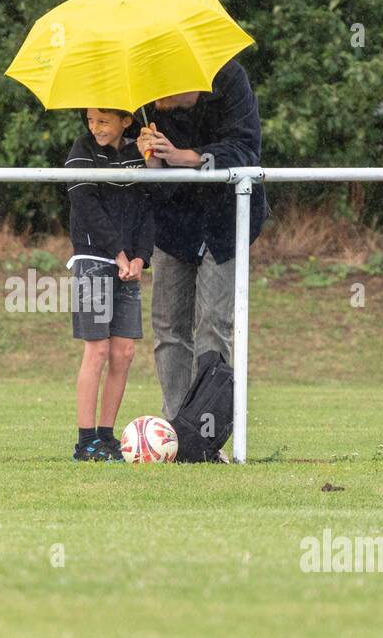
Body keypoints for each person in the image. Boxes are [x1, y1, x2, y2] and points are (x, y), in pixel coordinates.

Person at [138, 58, 266, 432]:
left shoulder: (229, 78)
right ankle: (176, 428)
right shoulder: (145, 93)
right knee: (168, 325)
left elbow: (247, 148)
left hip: (226, 220)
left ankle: (205, 432)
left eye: (164, 91)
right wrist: (150, 155)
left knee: (213, 324)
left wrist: (185, 157)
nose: (155, 99)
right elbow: (147, 173)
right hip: (173, 222)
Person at [63, 108, 155, 461]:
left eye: (103, 121)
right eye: (90, 120)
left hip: (128, 265)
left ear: (126, 121)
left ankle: (106, 437)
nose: (95, 127)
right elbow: (86, 206)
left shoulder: (138, 155)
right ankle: (85, 442)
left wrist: (139, 258)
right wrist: (117, 253)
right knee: (97, 350)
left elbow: (150, 208)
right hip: (95, 261)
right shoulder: (81, 150)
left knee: (124, 353)